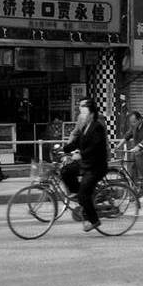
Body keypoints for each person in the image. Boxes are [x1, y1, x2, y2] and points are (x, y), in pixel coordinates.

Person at [60, 98, 108, 232]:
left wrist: (81, 154)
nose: (80, 108)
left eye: (82, 106)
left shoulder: (97, 125)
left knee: (84, 195)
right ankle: (79, 195)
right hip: (86, 163)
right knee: (65, 171)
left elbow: (95, 147)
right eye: (79, 106)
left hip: (96, 166)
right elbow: (77, 142)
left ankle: (94, 220)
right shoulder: (85, 125)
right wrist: (63, 149)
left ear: (90, 109)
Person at [116, 111, 143, 182]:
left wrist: (139, 146)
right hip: (139, 150)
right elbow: (128, 135)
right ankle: (134, 184)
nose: (132, 124)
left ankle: (142, 177)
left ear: (140, 119)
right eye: (131, 122)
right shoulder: (134, 125)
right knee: (132, 162)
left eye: (134, 122)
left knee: (138, 155)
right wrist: (118, 145)